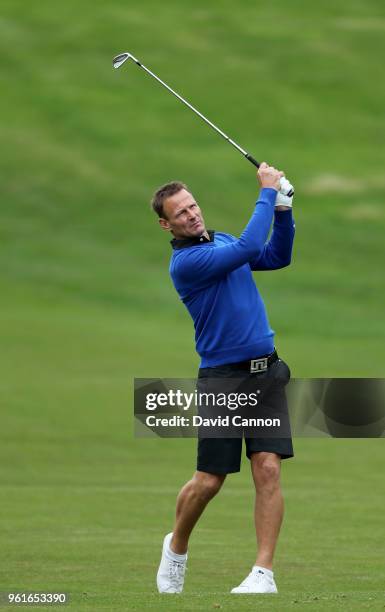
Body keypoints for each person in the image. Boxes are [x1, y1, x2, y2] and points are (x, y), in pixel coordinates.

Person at [151, 162, 295, 594]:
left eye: (192, 206)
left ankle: (263, 573)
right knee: (210, 480)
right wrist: (267, 191)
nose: (192, 215)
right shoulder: (190, 262)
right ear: (166, 224)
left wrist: (284, 211)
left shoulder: (223, 241)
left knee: (267, 469)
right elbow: (252, 243)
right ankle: (176, 548)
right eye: (181, 213)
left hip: (265, 372)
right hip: (223, 380)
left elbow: (274, 255)